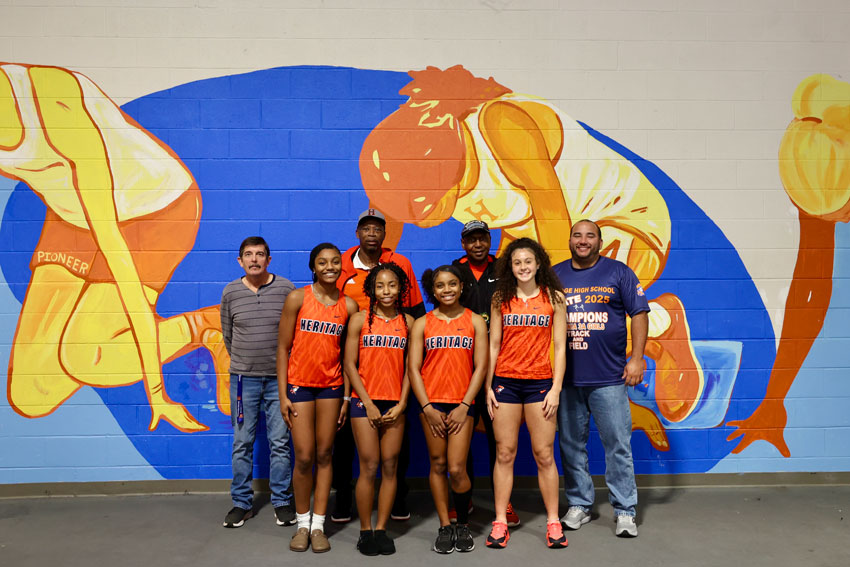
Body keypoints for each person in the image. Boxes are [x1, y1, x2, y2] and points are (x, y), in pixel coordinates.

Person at [1, 63, 229, 432]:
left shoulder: (53, 103)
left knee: (83, 357)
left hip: (152, 211)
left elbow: (117, 257)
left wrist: (157, 393)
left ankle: (206, 325)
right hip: (72, 215)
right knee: (31, 393)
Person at [553, 219, 649, 538]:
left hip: (608, 377)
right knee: (571, 446)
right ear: (569, 240)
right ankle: (580, 504)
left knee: (617, 445)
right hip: (567, 380)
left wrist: (636, 358)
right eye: (577, 235)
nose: (583, 241)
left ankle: (624, 511)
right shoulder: (554, 275)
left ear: (599, 241)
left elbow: (639, 313)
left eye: (589, 236)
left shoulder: (619, 272)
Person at [332, 208, 426, 523]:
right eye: (366, 228)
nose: (372, 233)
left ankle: (398, 499)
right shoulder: (342, 264)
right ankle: (343, 499)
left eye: (377, 228)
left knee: (400, 437)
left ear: (384, 234)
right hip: (354, 358)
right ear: (357, 233)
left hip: (394, 360)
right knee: (344, 438)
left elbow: (416, 313)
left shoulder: (400, 264)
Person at [485, 238, 567, 550]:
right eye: (517, 262)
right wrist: (488, 387)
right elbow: (493, 345)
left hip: (540, 384)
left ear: (538, 264)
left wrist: (556, 388)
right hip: (506, 383)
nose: (523, 267)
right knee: (505, 453)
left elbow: (560, 347)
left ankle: (553, 521)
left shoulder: (554, 298)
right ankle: (500, 522)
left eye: (528, 262)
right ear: (511, 266)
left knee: (544, 455)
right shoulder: (500, 298)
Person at [277, 243, 359, 553]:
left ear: (342, 267)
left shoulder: (349, 307)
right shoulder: (297, 299)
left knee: (326, 454)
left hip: (331, 388)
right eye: (323, 262)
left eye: (335, 262)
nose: (329, 267)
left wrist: (348, 398)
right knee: (305, 455)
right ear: (314, 266)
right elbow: (283, 348)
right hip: (299, 386)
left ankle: (318, 526)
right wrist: (283, 394)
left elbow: (350, 358)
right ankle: (301, 523)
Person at [408, 266, 488, 554]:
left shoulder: (475, 321)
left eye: (452, 284)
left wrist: (466, 404)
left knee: (457, 467)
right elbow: (414, 369)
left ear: (462, 286)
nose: (447, 290)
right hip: (431, 404)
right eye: (440, 285)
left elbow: (481, 367)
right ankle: (445, 525)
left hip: (461, 404)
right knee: (438, 464)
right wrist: (427, 407)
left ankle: (463, 524)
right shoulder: (423, 323)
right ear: (433, 289)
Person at [221, 237, 296, 528]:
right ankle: (241, 503)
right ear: (240, 261)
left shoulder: (286, 289)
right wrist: (246, 363)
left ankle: (282, 501)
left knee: (280, 443)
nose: (254, 259)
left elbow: (293, 335)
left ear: (269, 260)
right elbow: (228, 335)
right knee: (242, 443)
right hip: (243, 381)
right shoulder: (230, 292)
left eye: (260, 254)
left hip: (279, 381)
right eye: (248, 255)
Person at [450, 220, 519, 527]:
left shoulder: (505, 269)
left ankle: (504, 505)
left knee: (499, 441)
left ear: (490, 240)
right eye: (471, 240)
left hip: (500, 365)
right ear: (463, 243)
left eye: (482, 239)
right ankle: (462, 503)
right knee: (461, 442)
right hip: (463, 367)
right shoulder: (454, 272)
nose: (477, 244)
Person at [343, 263, 414, 556]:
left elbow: (413, 367)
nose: (386, 291)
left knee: (390, 465)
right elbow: (349, 364)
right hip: (365, 402)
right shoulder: (360, 320)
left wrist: (403, 403)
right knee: (369, 466)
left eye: (392, 285)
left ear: (401, 288)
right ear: (371, 288)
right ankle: (364, 531)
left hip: (395, 403)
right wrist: (368, 403)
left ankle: (382, 529)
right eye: (380, 285)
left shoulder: (408, 322)